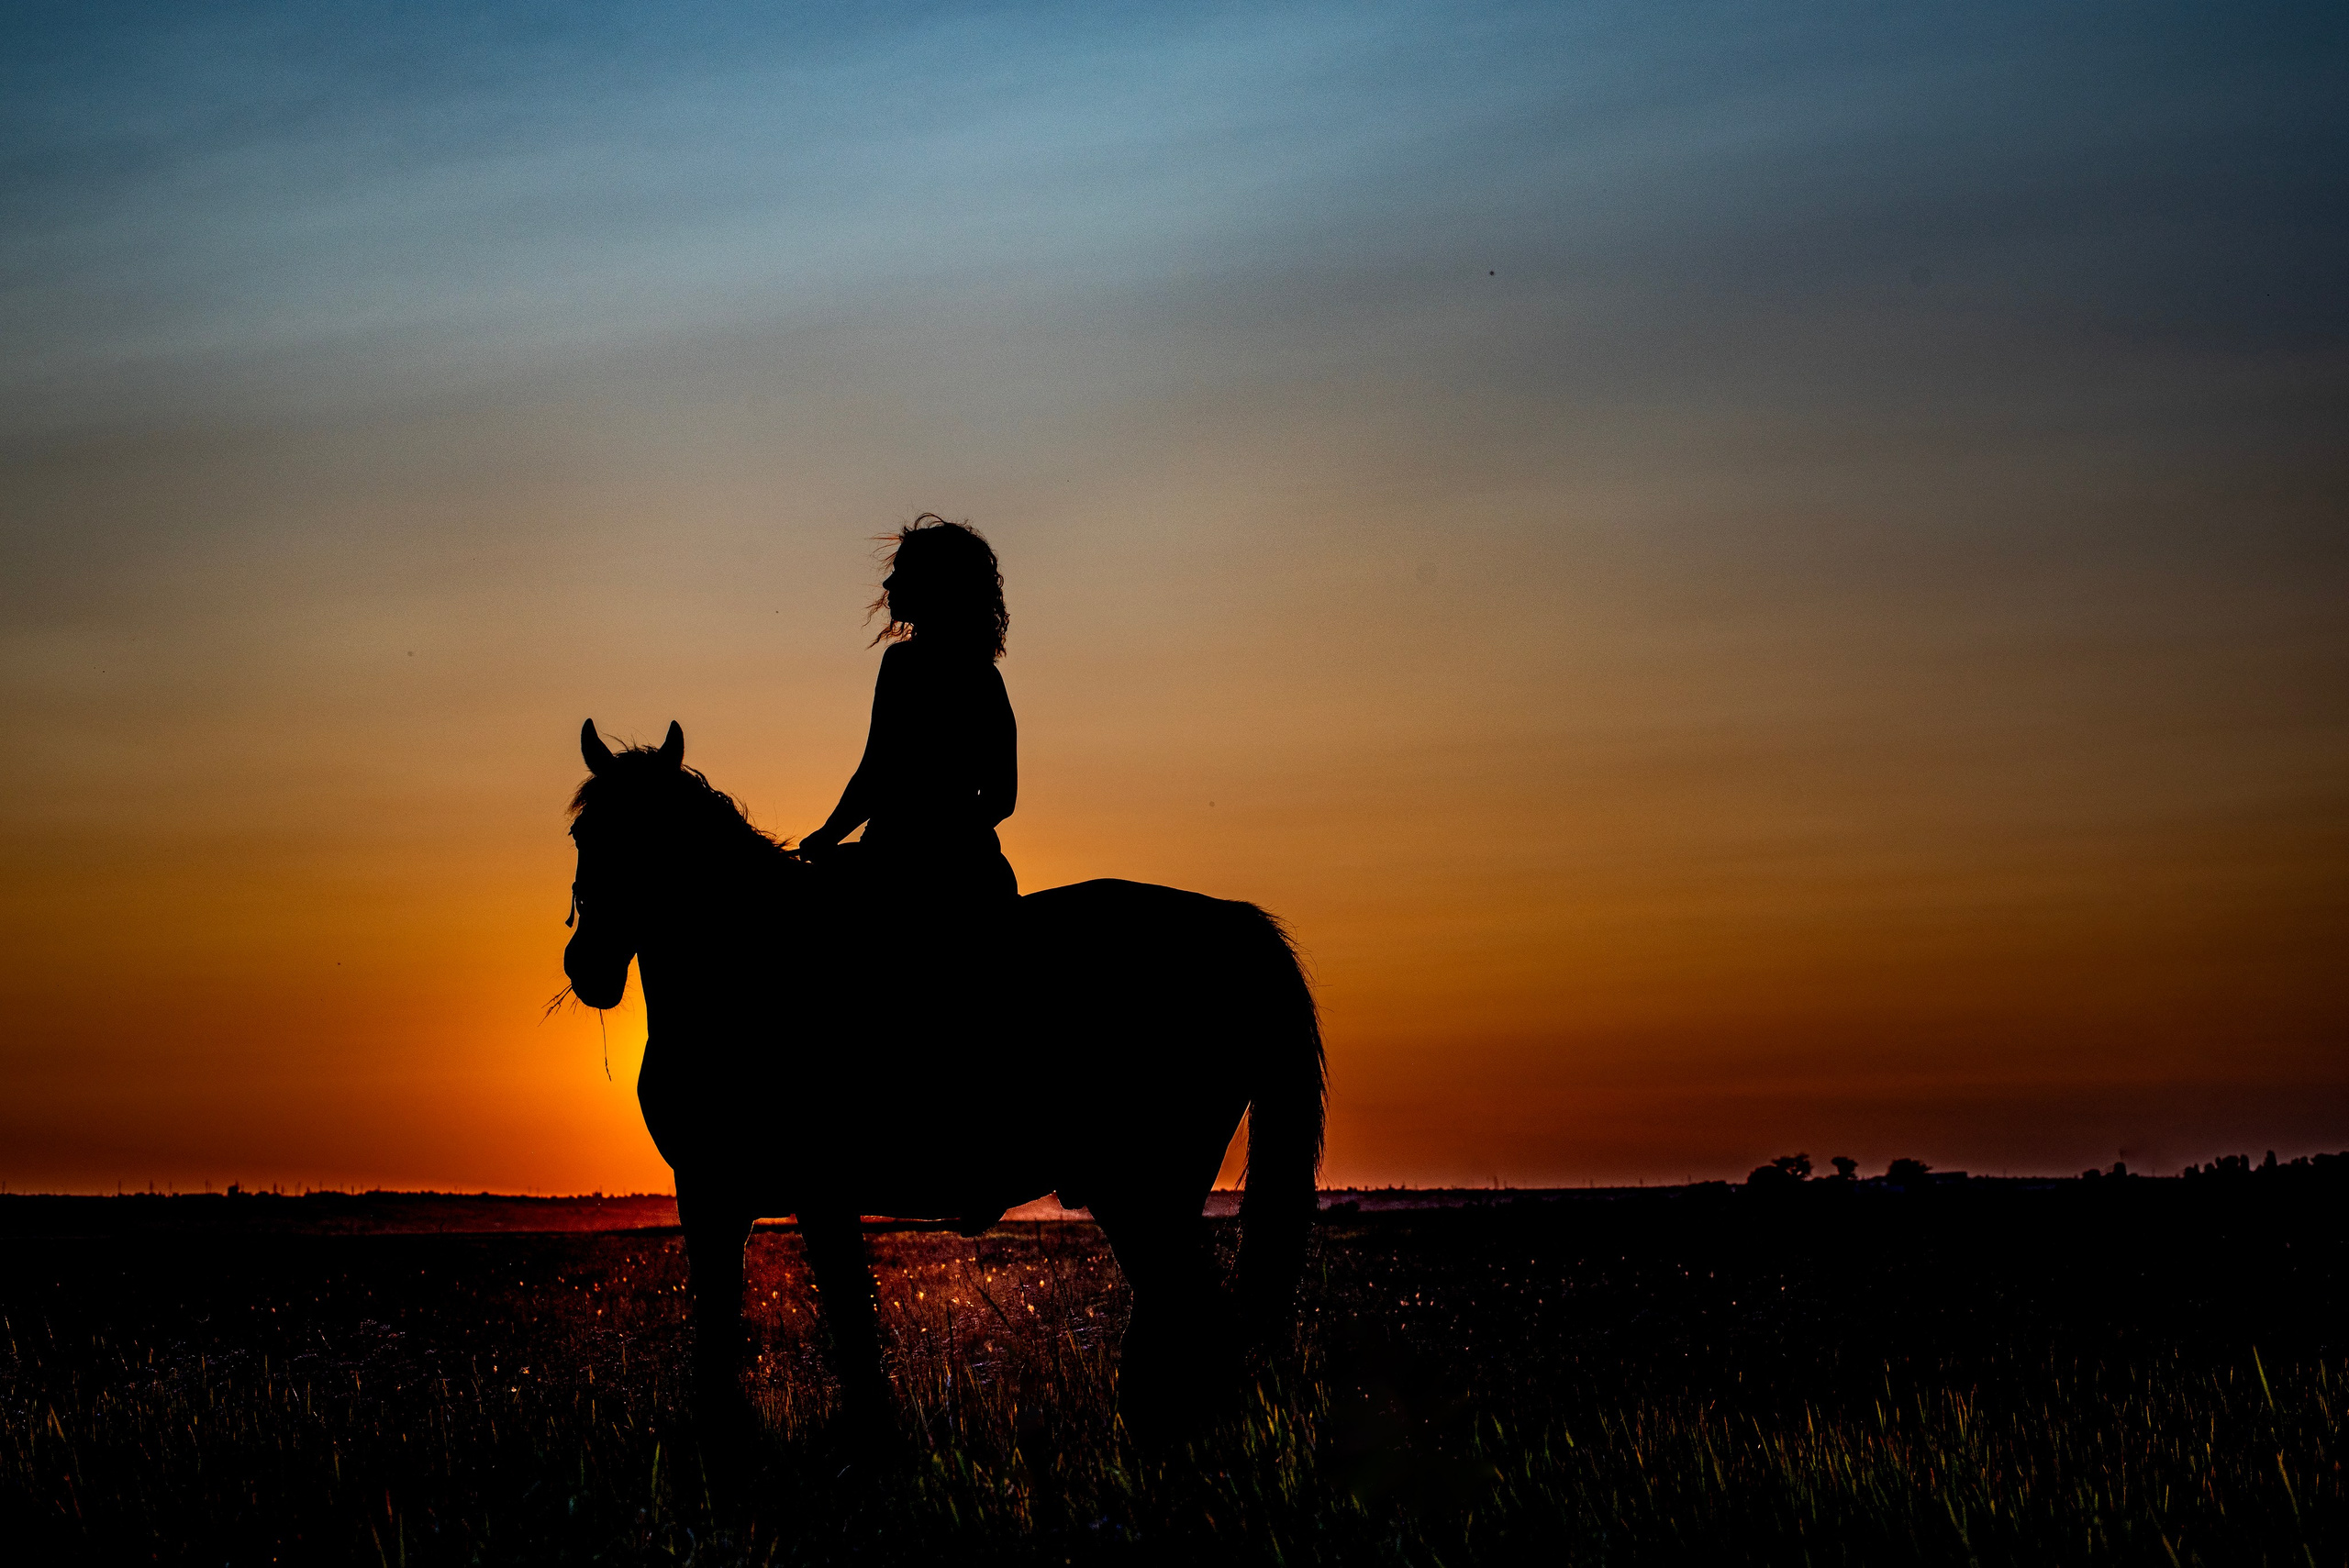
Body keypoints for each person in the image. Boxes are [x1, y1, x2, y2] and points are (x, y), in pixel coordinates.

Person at [798, 515, 1019, 917]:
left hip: (896, 868)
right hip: (976, 871)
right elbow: (1002, 799)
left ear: (935, 583)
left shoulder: (904, 663)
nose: (888, 585)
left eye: (902, 573)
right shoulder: (985, 676)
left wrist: (827, 836)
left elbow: (876, 771)